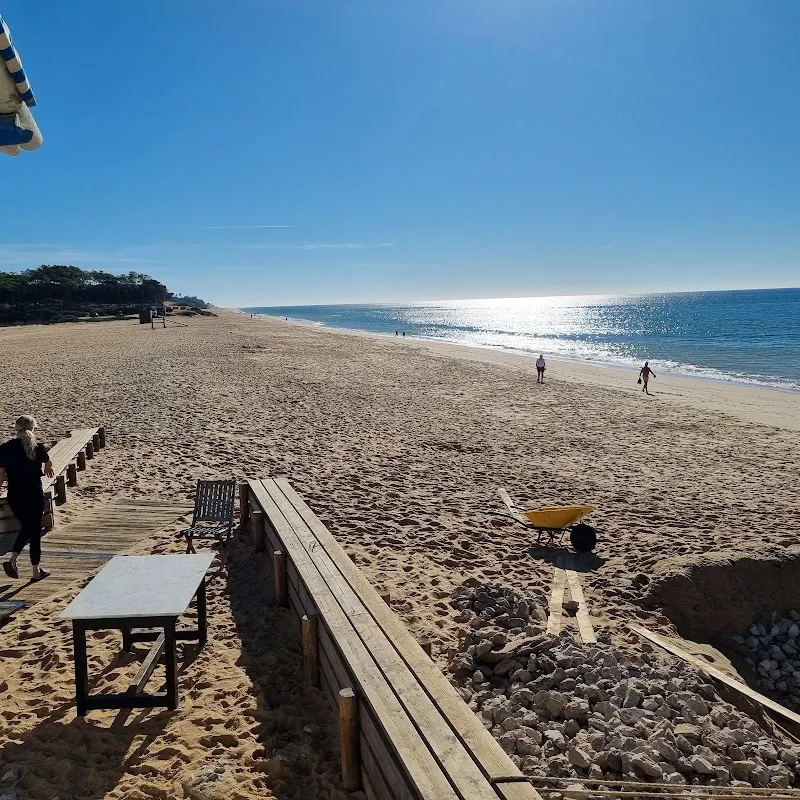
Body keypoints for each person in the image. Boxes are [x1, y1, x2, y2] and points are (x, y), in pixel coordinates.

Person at [0, 415, 54, 581]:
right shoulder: (38, 447)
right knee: (34, 530)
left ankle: (13, 560)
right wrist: (47, 468)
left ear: (16, 430)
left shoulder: (6, 448)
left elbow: (1, 474)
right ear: (33, 429)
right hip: (33, 493)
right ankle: (35, 572)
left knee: (27, 528)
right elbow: (48, 463)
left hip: (15, 495)